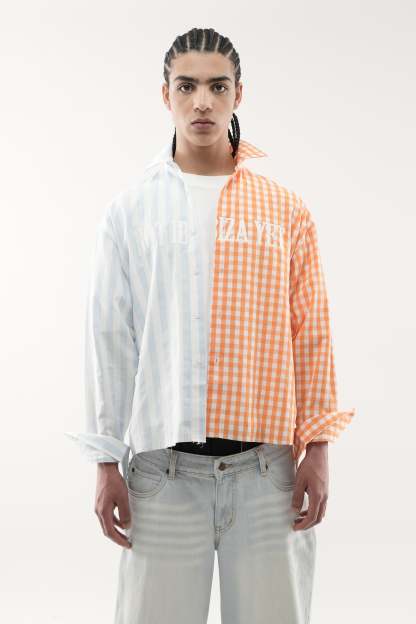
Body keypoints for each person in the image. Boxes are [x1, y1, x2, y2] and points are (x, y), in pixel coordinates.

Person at [65, 27, 355, 624]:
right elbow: (110, 340)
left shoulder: (285, 210)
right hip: (163, 476)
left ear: (238, 95)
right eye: (187, 86)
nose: (202, 101)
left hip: (268, 475)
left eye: (217, 87)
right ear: (165, 94)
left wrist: (318, 450)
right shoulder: (131, 212)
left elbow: (312, 332)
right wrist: (104, 460)